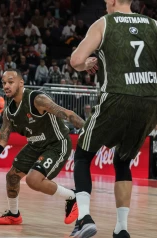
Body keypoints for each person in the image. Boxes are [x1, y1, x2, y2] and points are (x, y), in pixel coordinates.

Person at [69, 0, 157, 237]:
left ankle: (84, 218)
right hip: (150, 101)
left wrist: (86, 63)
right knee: (122, 162)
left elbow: (76, 61)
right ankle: (122, 228)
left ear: (116, 0)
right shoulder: (154, 25)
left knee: (83, 156)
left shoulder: (104, 23)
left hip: (117, 96)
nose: (105, 2)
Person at [0, 69, 85, 226]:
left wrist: (89, 130)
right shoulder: (8, 112)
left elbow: (67, 113)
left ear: (21, 83)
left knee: (33, 180)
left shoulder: (37, 99)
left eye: (10, 82)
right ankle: (14, 214)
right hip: (35, 145)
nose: (6, 86)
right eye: (4, 83)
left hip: (57, 144)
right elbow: (1, 140)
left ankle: (73, 196)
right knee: (11, 177)